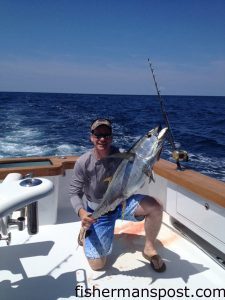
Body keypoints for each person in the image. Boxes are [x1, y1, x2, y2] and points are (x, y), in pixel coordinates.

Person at [69, 118, 166, 272]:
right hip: (98, 212)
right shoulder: (83, 162)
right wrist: (82, 213)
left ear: (112, 137)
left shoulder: (124, 155)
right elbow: (74, 193)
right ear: (91, 137)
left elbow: (146, 160)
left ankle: (149, 248)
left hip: (123, 204)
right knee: (97, 265)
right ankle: (85, 231)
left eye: (106, 135)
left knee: (155, 207)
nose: (102, 139)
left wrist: (157, 149)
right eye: (98, 134)